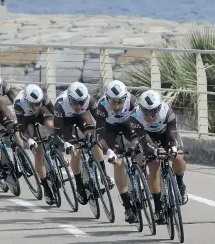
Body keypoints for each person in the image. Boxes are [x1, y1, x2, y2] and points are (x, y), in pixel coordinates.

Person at [129, 89, 188, 224]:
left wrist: (173, 148)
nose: (151, 116)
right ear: (141, 109)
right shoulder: (135, 116)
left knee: (178, 157)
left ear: (159, 107)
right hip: (149, 138)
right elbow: (144, 139)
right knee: (154, 165)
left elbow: (173, 132)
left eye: (154, 111)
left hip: (166, 134)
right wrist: (155, 151)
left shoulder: (167, 111)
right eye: (147, 112)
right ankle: (157, 207)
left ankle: (180, 184)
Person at [53, 81, 115, 205]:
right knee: (76, 151)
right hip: (65, 121)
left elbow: (101, 122)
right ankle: (79, 185)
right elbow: (57, 134)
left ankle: (103, 175)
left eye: (81, 102)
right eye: (75, 103)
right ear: (69, 99)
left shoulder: (89, 101)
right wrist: (66, 144)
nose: (78, 106)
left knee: (94, 139)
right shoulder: (60, 105)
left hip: (82, 116)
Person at [95, 80, 140, 223]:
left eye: (120, 102)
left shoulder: (133, 102)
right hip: (109, 130)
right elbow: (99, 134)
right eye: (113, 102)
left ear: (125, 98)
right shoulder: (101, 106)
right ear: (107, 99)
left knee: (139, 147)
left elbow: (141, 127)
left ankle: (142, 173)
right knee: (118, 162)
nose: (117, 106)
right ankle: (127, 206)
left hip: (129, 126)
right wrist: (108, 151)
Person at [13, 84, 55, 204]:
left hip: (42, 114)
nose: (35, 107)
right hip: (27, 121)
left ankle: (56, 150)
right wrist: (29, 140)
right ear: (26, 101)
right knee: (37, 152)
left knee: (51, 125)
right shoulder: (19, 104)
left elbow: (57, 114)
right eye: (33, 104)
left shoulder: (43, 98)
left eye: (38, 104)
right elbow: (21, 130)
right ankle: (46, 187)